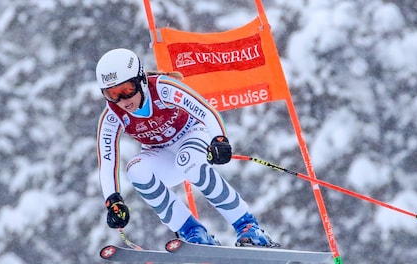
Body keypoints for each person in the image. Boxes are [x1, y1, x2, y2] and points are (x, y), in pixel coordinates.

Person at [95, 48, 280, 247]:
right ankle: (193, 232)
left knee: (188, 161)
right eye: (113, 94)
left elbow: (206, 111)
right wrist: (113, 201)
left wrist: (219, 139)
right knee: (135, 169)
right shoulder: (112, 116)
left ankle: (248, 226)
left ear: (140, 80)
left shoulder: (163, 88)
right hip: (161, 154)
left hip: (191, 135)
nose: (123, 101)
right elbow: (107, 161)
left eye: (127, 90)